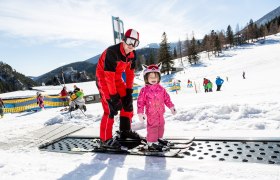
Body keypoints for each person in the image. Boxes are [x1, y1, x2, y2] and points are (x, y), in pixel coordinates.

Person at [95, 29, 141, 148]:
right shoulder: (112, 51)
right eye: (130, 41)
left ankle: (124, 131)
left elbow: (130, 73)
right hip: (104, 79)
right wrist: (113, 97)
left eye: (135, 43)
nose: (131, 46)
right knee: (110, 109)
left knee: (127, 103)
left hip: (117, 78)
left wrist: (129, 92)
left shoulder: (132, 54)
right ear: (124, 40)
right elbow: (108, 76)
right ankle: (105, 139)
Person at [137, 63, 177, 151]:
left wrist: (171, 107)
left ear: (159, 78)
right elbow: (140, 102)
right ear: (146, 78)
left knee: (161, 126)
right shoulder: (144, 90)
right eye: (151, 77)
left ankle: (158, 139)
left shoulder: (161, 89)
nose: (153, 79)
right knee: (153, 127)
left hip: (160, 113)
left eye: (155, 77)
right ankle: (151, 143)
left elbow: (167, 99)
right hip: (151, 114)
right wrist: (140, 112)